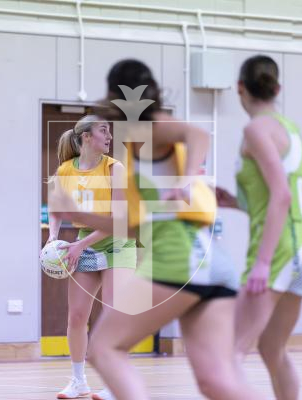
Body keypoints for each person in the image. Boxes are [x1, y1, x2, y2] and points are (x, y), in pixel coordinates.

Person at [50, 59, 264, 400]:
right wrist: (77, 214)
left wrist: (186, 179)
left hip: (177, 260)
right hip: (211, 263)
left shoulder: (148, 128)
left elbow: (197, 134)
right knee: (215, 383)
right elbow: (128, 226)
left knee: (105, 348)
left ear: (115, 95)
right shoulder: (136, 147)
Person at [216, 54, 302, 400]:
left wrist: (263, 263)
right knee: (272, 348)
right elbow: (279, 193)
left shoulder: (256, 130)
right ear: (278, 89)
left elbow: (282, 195)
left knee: (229, 352)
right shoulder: (289, 129)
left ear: (239, 88)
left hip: (280, 250)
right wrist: (236, 202)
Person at [49, 115, 136, 400]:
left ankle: (114, 384)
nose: (109, 136)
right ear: (86, 137)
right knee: (76, 316)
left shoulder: (115, 168)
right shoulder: (65, 170)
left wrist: (79, 245)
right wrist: (52, 238)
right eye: (103, 131)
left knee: (112, 316)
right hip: (85, 242)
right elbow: (56, 209)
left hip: (117, 243)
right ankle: (78, 381)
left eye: (109, 131)